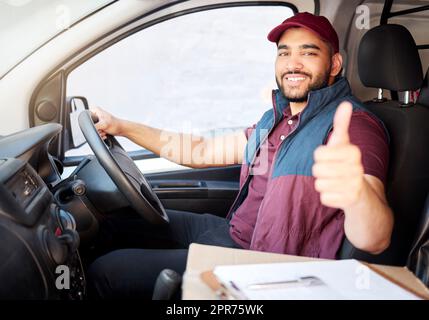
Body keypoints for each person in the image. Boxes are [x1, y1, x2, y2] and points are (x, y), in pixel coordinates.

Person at [87, 12, 393, 299]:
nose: (293, 63)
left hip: (264, 266)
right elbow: (199, 151)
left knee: (106, 272)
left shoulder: (353, 125)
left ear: (335, 64)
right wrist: (122, 126)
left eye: (308, 53)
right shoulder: (276, 118)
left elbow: (374, 238)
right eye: (284, 52)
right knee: (112, 223)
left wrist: (356, 194)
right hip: (233, 233)